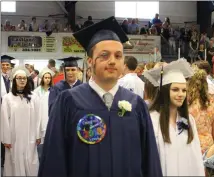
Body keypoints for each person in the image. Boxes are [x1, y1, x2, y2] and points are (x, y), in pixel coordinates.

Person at [38, 16, 162, 177]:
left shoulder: (136, 104)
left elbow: (150, 160)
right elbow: (54, 160)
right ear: (90, 61)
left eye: (118, 56)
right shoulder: (68, 101)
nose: (112, 61)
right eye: (104, 55)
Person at [143, 59, 205, 176]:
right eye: (175, 89)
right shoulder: (152, 120)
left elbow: (195, 156)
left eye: (184, 90)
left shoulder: (188, 120)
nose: (181, 94)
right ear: (165, 91)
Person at [1, 66, 41, 176]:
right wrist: (6, 139)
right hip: (14, 138)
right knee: (14, 161)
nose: (22, 80)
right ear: (14, 80)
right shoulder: (7, 98)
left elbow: (38, 117)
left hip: (30, 136)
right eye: (19, 78)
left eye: (24, 78)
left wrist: (38, 135)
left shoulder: (34, 97)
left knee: (30, 161)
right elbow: (4, 119)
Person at [33, 68, 55, 161]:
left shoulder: (53, 90)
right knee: (41, 142)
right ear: (42, 78)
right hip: (40, 117)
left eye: (49, 78)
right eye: (45, 77)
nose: (47, 79)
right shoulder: (37, 91)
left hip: (50, 117)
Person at [1, 55, 14, 168]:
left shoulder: (12, 78)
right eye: (3, 65)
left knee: (8, 132)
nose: (5, 67)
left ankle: (7, 159)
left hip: (10, 112)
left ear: (10, 66)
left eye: (7, 65)